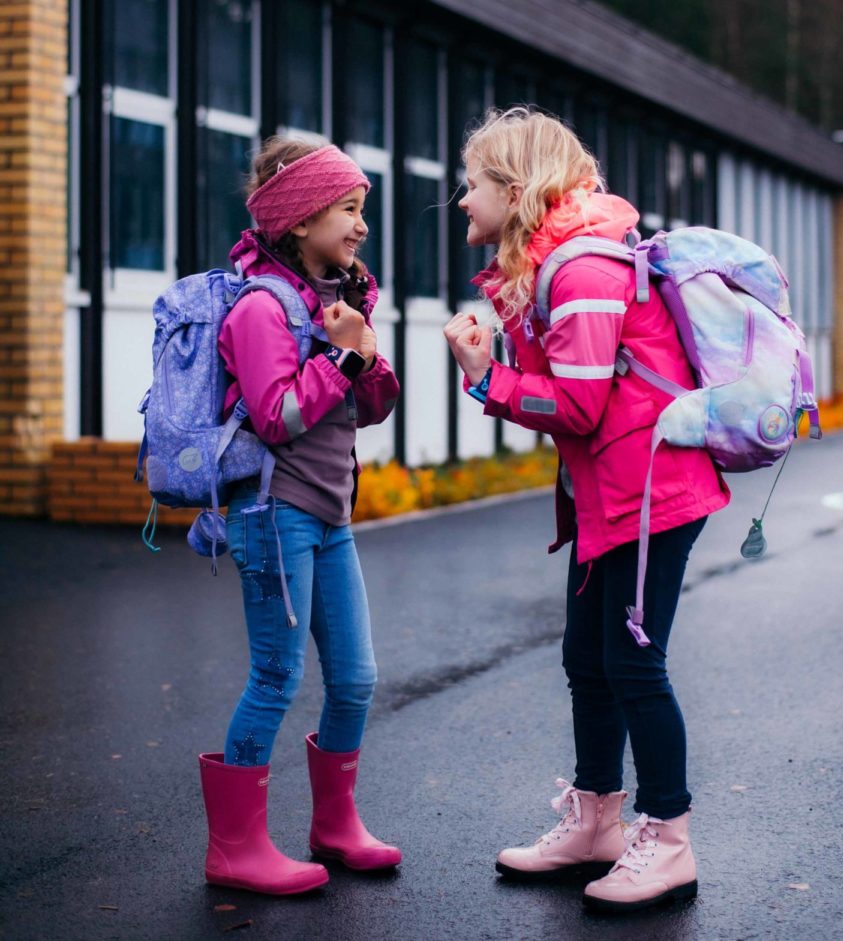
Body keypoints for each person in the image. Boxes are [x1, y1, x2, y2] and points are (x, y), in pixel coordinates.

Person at [444, 108, 731, 912]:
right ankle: (597, 820)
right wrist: (506, 316)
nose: (463, 200)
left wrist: (483, 378)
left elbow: (576, 403)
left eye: (474, 185)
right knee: (587, 660)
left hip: (651, 495)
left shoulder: (584, 268)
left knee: (633, 662)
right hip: (612, 497)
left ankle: (667, 838)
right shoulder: (554, 265)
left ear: (516, 187)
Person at [197, 137, 402, 896]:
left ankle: (335, 825)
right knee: (278, 676)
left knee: (355, 678)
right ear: (299, 216)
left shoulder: (339, 300)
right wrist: (343, 358)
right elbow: (277, 417)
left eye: (360, 210)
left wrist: (366, 357)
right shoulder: (259, 307)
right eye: (348, 209)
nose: (360, 227)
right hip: (272, 512)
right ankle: (236, 847)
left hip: (329, 514)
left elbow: (373, 408)